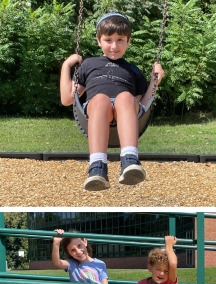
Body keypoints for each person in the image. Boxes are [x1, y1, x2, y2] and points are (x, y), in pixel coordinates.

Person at [60, 13, 165, 191]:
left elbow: (142, 104)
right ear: (99, 40)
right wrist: (66, 66)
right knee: (100, 99)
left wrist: (156, 81)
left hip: (126, 111)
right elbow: (67, 99)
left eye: (120, 40)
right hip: (99, 111)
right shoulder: (88, 65)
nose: (114, 46)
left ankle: (130, 161)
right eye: (108, 40)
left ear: (128, 41)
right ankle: (97, 167)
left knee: (124, 97)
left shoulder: (133, 70)